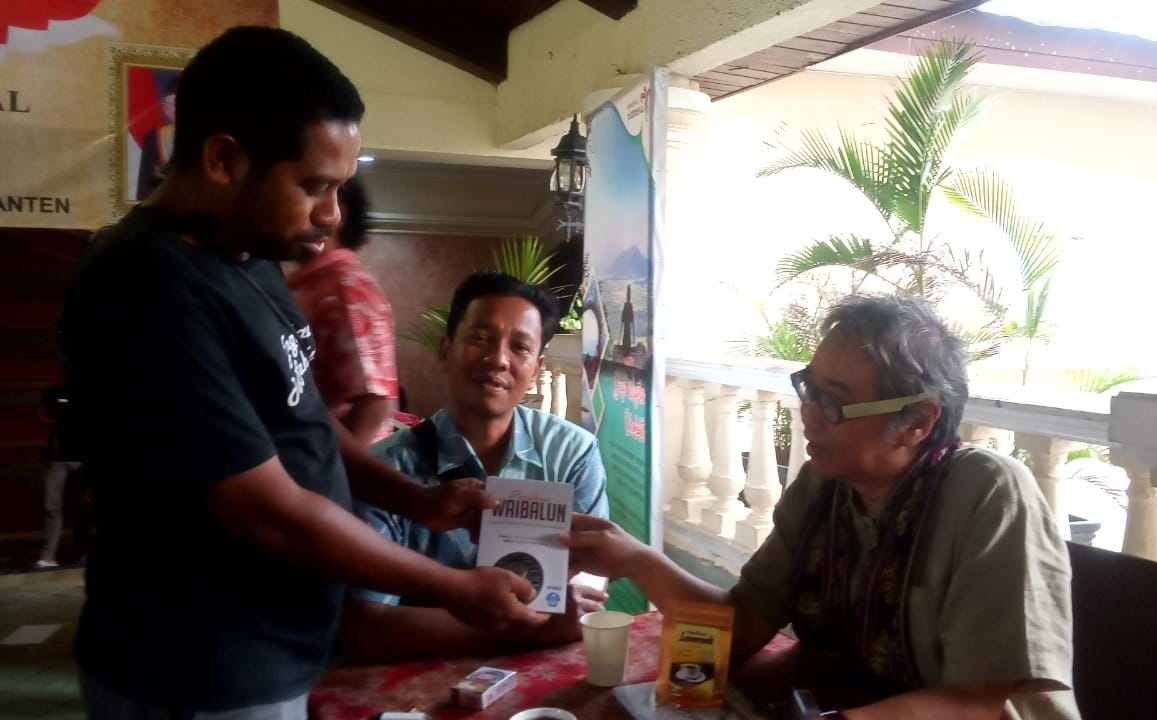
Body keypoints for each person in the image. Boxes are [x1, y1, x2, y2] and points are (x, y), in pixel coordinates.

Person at [58, 27, 541, 720]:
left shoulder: (247, 255)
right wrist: (455, 588)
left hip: (276, 646)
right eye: (315, 186)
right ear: (224, 158)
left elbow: (304, 419)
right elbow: (269, 512)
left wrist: (418, 502)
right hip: (198, 667)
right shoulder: (145, 283)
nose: (332, 214)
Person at [564, 295, 1080, 720]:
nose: (808, 415)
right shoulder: (822, 488)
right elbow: (742, 626)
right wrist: (635, 560)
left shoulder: (987, 492)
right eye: (809, 389)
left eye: (833, 401)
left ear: (917, 421)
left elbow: (973, 703)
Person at [340, 271, 610, 663]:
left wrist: (554, 620)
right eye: (480, 338)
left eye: (519, 347)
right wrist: (525, 629)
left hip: (540, 676)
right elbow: (365, 628)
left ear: (536, 368)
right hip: (419, 680)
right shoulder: (386, 473)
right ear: (445, 350)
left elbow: (586, 591)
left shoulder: (572, 454)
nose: (498, 359)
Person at [289, 175, 398, 446]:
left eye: (309, 192)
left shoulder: (346, 286)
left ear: (337, 211)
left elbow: (375, 403)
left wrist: (336, 469)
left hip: (328, 466)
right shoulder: (308, 283)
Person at [35, 382, 80, 568]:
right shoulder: (55, 391)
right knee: (52, 508)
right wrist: (60, 420)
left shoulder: (95, 391)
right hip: (58, 458)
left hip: (84, 459)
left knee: (86, 508)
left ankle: (83, 553)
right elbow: (40, 417)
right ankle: (48, 556)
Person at [135, 73, 179, 201]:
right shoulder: (153, 138)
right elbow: (144, 185)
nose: (174, 110)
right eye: (169, 104)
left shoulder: (205, 139)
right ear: (164, 108)